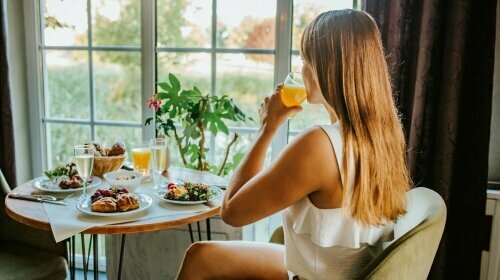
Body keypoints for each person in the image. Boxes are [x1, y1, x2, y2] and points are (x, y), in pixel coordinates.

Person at [176, 9, 410, 280]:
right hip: (341, 269)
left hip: (316, 275)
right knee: (203, 256)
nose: (302, 70)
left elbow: (232, 212)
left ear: (328, 67)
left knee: (199, 258)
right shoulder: (383, 134)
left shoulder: (319, 144)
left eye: (306, 60)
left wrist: (267, 128)